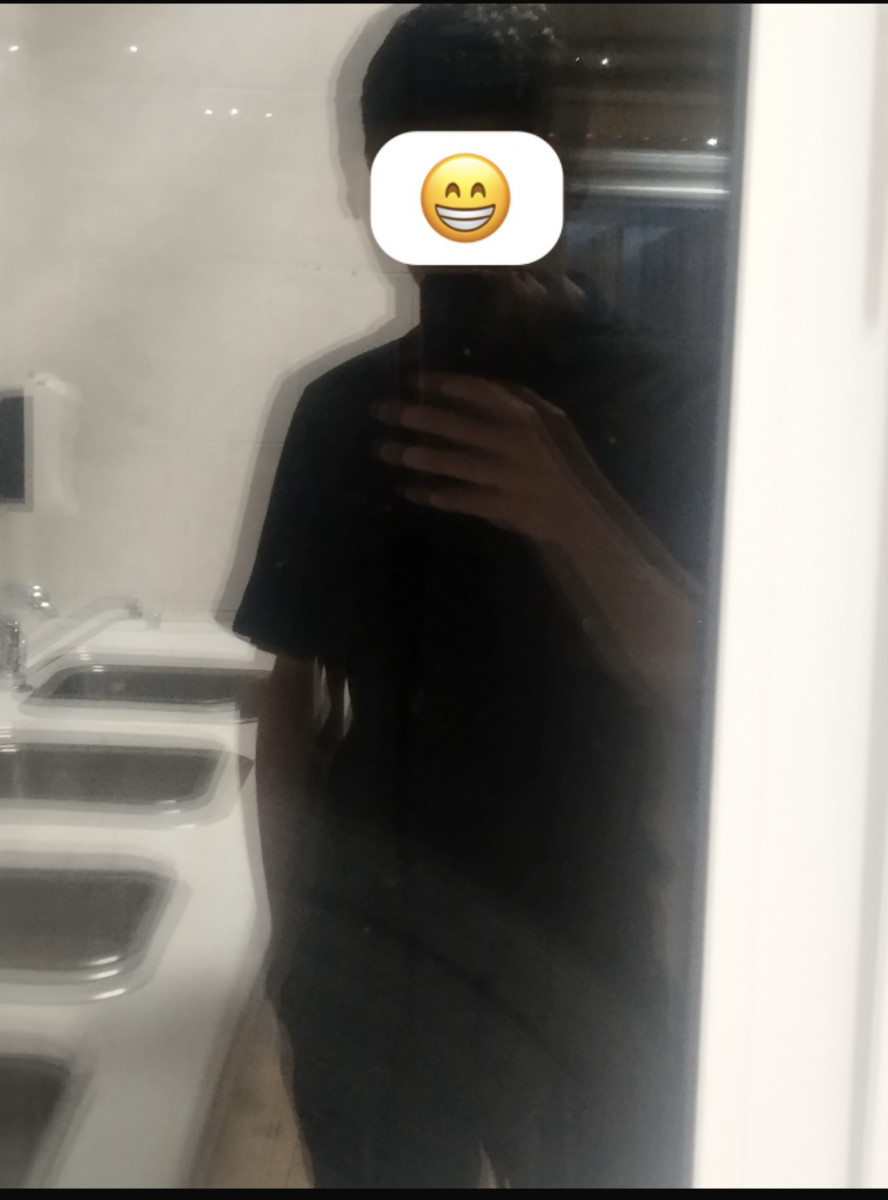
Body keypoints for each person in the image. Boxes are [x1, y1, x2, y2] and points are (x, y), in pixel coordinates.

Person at [233, 3, 717, 1188]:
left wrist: (569, 505)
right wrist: (293, 939)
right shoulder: (339, 414)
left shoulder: (675, 402)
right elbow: (294, 697)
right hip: (367, 963)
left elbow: (711, 692)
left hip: (584, 960)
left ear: (558, 170)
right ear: (369, 184)